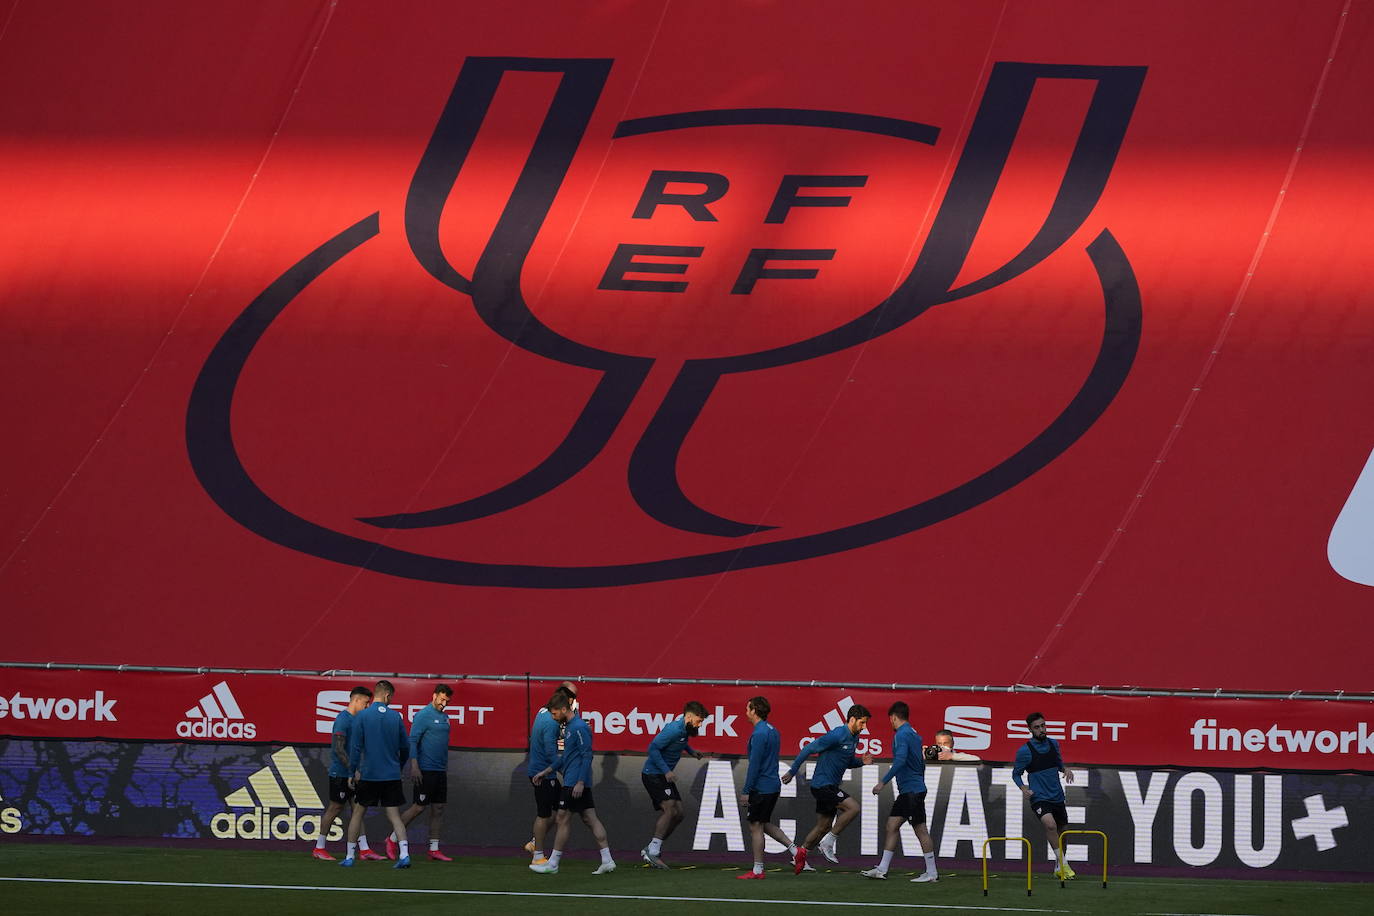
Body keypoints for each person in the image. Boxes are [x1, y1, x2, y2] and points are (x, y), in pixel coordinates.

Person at [530, 697, 616, 875]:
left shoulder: (578, 727)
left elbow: (587, 755)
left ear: (563, 709)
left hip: (574, 782)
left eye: (554, 713)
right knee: (590, 819)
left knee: (562, 819)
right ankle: (607, 860)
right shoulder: (570, 728)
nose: (553, 718)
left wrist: (580, 782)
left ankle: (553, 864)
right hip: (575, 780)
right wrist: (546, 772)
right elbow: (565, 757)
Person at [783, 704, 874, 871]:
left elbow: (846, 762)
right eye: (862, 723)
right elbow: (809, 748)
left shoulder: (854, 738)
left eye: (866, 723)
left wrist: (862, 762)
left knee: (823, 826)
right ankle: (828, 842)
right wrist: (793, 770)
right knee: (853, 808)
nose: (865, 727)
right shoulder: (837, 734)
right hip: (822, 785)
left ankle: (799, 857)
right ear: (852, 719)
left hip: (829, 785)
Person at [860, 702, 938, 882]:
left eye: (891, 719)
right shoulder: (914, 735)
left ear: (894, 717)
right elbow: (919, 763)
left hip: (911, 791)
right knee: (892, 826)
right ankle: (882, 869)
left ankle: (932, 873)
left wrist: (882, 782)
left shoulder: (901, 735)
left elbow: (901, 760)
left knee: (920, 830)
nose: (891, 723)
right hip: (913, 789)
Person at [339, 679, 413, 869]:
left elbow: (355, 748)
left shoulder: (362, 717)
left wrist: (351, 771)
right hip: (391, 775)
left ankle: (349, 856)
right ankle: (404, 854)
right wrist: (399, 766)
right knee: (395, 816)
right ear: (387, 695)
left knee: (357, 813)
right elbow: (405, 747)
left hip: (369, 775)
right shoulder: (395, 717)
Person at [735, 696, 801, 878]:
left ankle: (758, 869)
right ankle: (796, 851)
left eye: (748, 709)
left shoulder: (759, 734)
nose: (746, 712)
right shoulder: (773, 731)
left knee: (755, 826)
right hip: (772, 785)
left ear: (755, 710)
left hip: (762, 787)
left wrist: (746, 791)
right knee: (762, 823)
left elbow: (754, 765)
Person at [314, 686, 383, 860]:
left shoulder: (359, 720)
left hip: (355, 773)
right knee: (335, 807)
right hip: (340, 773)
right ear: (357, 700)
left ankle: (365, 849)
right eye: (367, 703)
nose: (368, 706)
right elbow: (339, 749)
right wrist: (353, 770)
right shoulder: (342, 720)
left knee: (358, 809)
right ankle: (319, 848)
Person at [640, 700, 710, 868]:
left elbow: (681, 741)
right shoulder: (673, 729)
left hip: (663, 776)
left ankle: (652, 847)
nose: (700, 724)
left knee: (679, 814)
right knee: (670, 809)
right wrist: (666, 770)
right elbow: (653, 748)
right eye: (699, 721)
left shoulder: (684, 728)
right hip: (654, 774)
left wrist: (692, 752)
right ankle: (653, 851)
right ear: (689, 716)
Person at [386, 684, 453, 862]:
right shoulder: (423, 715)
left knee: (438, 809)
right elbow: (413, 741)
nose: (444, 703)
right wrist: (414, 765)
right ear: (434, 696)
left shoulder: (445, 717)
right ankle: (392, 839)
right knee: (418, 807)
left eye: (447, 701)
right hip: (425, 770)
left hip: (440, 771)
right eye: (442, 699)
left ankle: (433, 849)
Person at [1012, 711, 1076, 880]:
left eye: (1043, 725)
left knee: (1064, 831)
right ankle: (1064, 864)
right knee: (1050, 825)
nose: (1041, 729)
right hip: (1039, 796)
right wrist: (1023, 788)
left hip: (1057, 795)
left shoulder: (1054, 744)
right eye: (1037, 727)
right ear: (1030, 730)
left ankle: (1058, 866)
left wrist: (1066, 769)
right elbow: (1016, 774)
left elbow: (1059, 764)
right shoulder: (1024, 751)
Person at [524, 681, 580, 864]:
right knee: (544, 815)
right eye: (572, 699)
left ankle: (535, 843)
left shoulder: (544, 712)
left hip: (543, 771)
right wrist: (565, 770)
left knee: (557, 812)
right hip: (542, 774)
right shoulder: (552, 723)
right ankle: (537, 855)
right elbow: (551, 753)